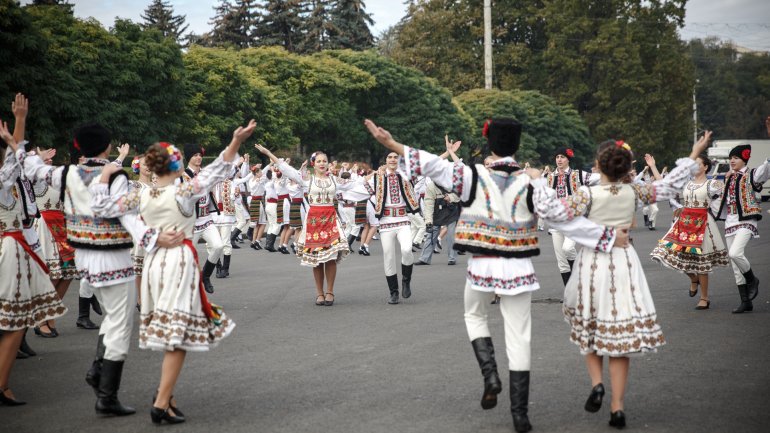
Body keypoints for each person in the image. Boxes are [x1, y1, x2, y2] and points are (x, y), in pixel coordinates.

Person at [365, 118, 629, 433]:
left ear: (490, 145)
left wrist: (392, 144)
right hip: (519, 269)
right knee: (520, 336)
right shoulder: (533, 184)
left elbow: (434, 166)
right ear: (517, 147)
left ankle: (490, 375)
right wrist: (609, 238)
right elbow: (564, 219)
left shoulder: (471, 176)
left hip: (482, 267)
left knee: (474, 316)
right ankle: (520, 415)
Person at [530, 135, 710, 429]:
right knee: (620, 335)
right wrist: (695, 151)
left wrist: (538, 181)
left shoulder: (588, 194)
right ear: (625, 167)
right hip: (624, 262)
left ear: (599, 167)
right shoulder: (635, 192)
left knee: (590, 325)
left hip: (592, 262)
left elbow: (552, 212)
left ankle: (597, 384)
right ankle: (617, 406)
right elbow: (671, 184)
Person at [92, 123, 252, 424]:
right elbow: (217, 170)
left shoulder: (140, 195)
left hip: (153, 265)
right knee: (177, 335)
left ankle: (167, 397)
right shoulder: (182, 192)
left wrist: (106, 172)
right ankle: (161, 401)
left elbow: (100, 204)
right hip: (178, 261)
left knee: (170, 330)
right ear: (177, 165)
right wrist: (233, 142)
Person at [0, 117, 67, 406]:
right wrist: (20, 124)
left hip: (19, 244)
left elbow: (14, 165)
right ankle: (1, 384)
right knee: (14, 319)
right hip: (10, 248)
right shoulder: (4, 182)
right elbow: (13, 164)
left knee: (15, 318)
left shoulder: (9, 183)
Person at [255, 145, 369, 306]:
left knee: (330, 258)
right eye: (319, 161)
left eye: (325, 161)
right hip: (314, 221)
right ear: (313, 164)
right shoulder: (306, 180)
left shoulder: (335, 181)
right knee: (316, 259)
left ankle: (330, 291)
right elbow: (285, 168)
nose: (322, 163)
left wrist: (377, 178)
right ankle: (319, 293)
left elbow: (357, 186)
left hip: (330, 220)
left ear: (329, 164)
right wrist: (268, 153)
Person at [651, 152, 729, 309]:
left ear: (706, 167)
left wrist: (730, 177)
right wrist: (653, 166)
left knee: (701, 262)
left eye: (698, 164)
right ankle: (693, 279)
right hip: (684, 222)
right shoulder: (686, 182)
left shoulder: (712, 184)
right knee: (670, 253)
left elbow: (728, 192)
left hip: (702, 223)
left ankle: (704, 298)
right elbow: (664, 183)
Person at [713, 143, 770, 313]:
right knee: (735, 264)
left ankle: (752, 279)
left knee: (735, 253)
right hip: (730, 221)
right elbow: (719, 199)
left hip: (746, 219)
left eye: (736, 158)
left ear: (744, 159)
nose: (732, 161)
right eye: (730, 158)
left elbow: (766, 168)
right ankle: (745, 301)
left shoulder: (752, 174)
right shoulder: (728, 177)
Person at [364, 153, 421, 304]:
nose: (393, 159)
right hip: (386, 221)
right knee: (388, 256)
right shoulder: (378, 177)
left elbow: (426, 167)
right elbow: (361, 185)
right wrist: (374, 173)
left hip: (402, 219)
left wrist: (448, 153)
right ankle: (393, 292)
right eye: (389, 157)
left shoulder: (406, 176)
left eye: (395, 157)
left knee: (407, 249)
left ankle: (406, 281)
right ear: (385, 161)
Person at [545, 146, 596, 285]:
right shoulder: (549, 177)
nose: (559, 160)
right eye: (557, 157)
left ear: (568, 159)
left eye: (562, 157)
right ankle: (569, 292)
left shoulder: (578, 174)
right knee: (561, 262)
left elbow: (598, 178)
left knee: (567, 248)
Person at [182, 144, 223, 294]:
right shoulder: (183, 176)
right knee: (188, 259)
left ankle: (205, 276)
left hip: (207, 218)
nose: (198, 157)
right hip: (191, 222)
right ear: (189, 158)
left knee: (218, 246)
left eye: (200, 155)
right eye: (194, 155)